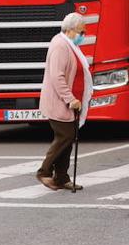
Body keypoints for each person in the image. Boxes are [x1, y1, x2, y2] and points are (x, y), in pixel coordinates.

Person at [36, 13, 93, 191]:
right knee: (65, 136)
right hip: (60, 102)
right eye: (80, 32)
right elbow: (57, 77)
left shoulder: (69, 45)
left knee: (69, 139)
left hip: (71, 103)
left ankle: (61, 177)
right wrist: (70, 99)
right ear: (69, 30)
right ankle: (44, 172)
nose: (83, 35)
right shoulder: (60, 46)